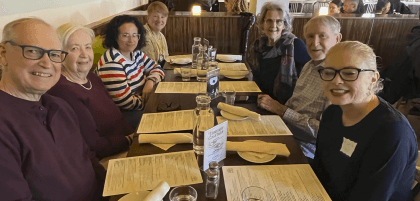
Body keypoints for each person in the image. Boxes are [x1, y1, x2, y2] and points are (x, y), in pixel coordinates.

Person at [0, 18, 105, 200]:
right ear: (3, 54)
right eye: (33, 51)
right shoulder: (4, 125)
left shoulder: (59, 106)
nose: (47, 64)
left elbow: (89, 159)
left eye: (55, 54)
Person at [312, 41, 417, 200]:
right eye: (329, 72)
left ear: (373, 79)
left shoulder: (391, 131)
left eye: (349, 73)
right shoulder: (332, 113)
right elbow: (320, 171)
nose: (336, 80)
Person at [257, 16, 342, 161]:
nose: (314, 43)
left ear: (337, 39)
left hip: (306, 148)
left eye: (322, 36)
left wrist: (281, 110)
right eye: (310, 36)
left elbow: (325, 132)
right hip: (284, 130)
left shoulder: (339, 79)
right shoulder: (309, 65)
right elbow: (295, 104)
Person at [48, 23, 135, 161]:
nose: (84, 54)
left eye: (87, 47)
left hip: (125, 144)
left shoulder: (91, 77)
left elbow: (117, 115)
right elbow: (95, 145)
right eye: (75, 48)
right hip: (107, 159)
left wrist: (133, 135)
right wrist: (131, 139)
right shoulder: (63, 91)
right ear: (60, 55)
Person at [96, 15, 165, 113]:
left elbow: (157, 68)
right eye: (125, 35)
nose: (131, 40)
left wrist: (150, 81)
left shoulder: (135, 53)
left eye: (135, 35)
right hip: (127, 114)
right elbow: (126, 103)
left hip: (143, 102)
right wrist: (152, 102)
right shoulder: (112, 62)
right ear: (115, 37)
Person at [247, 1, 310, 104]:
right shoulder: (258, 45)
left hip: (285, 106)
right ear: (262, 23)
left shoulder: (295, 45)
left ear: (284, 24)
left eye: (279, 21)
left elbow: (312, 74)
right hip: (259, 101)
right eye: (269, 21)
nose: (273, 25)